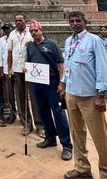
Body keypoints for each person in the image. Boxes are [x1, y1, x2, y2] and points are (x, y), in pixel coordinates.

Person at [59, 11, 107, 179]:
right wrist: (63, 83)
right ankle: (82, 167)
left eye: (78, 21)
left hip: (90, 96)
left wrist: (101, 95)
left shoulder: (94, 40)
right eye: (72, 21)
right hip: (71, 93)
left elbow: (102, 68)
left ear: (85, 22)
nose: (75, 23)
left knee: (99, 137)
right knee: (77, 133)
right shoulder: (69, 41)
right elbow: (68, 64)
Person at [26, 20, 73, 161]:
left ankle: (66, 145)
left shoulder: (51, 44)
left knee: (58, 112)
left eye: (36, 31)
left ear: (41, 30)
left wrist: (61, 82)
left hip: (52, 82)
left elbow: (60, 63)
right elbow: (30, 63)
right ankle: (50, 137)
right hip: (37, 83)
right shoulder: (30, 47)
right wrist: (26, 69)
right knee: (43, 111)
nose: (34, 33)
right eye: (32, 32)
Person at [7, 14, 43, 136]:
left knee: (35, 98)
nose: (18, 22)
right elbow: (10, 52)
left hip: (31, 70)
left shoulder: (31, 32)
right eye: (16, 21)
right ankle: (27, 124)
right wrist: (9, 68)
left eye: (20, 20)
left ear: (25, 21)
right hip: (17, 69)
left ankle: (39, 125)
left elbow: (39, 45)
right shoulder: (12, 34)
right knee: (21, 97)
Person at [0, 22, 16, 124]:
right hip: (5, 70)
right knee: (9, 93)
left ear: (11, 29)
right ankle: (12, 113)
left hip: (16, 69)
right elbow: (0, 56)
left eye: (7, 29)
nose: (6, 31)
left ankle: (22, 114)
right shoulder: (1, 40)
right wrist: (1, 70)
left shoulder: (15, 38)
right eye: (4, 29)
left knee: (18, 93)